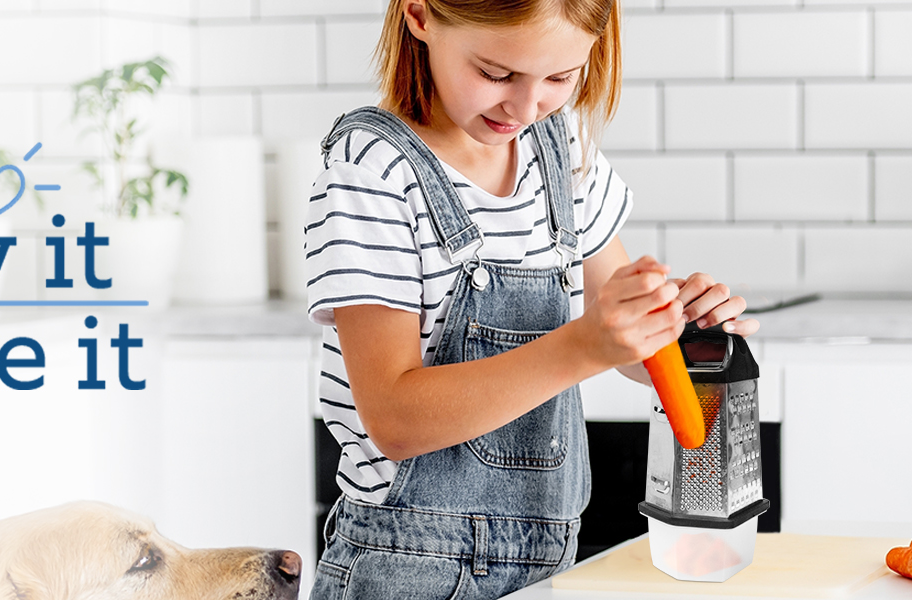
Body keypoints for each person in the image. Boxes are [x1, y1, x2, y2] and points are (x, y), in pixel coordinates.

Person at [304, 1, 758, 597]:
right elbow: (393, 418)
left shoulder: (558, 147)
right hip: (407, 567)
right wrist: (584, 345)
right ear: (418, 15)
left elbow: (621, 348)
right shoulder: (373, 170)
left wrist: (666, 329)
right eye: (495, 73)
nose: (524, 106)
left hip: (550, 567)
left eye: (559, 78)